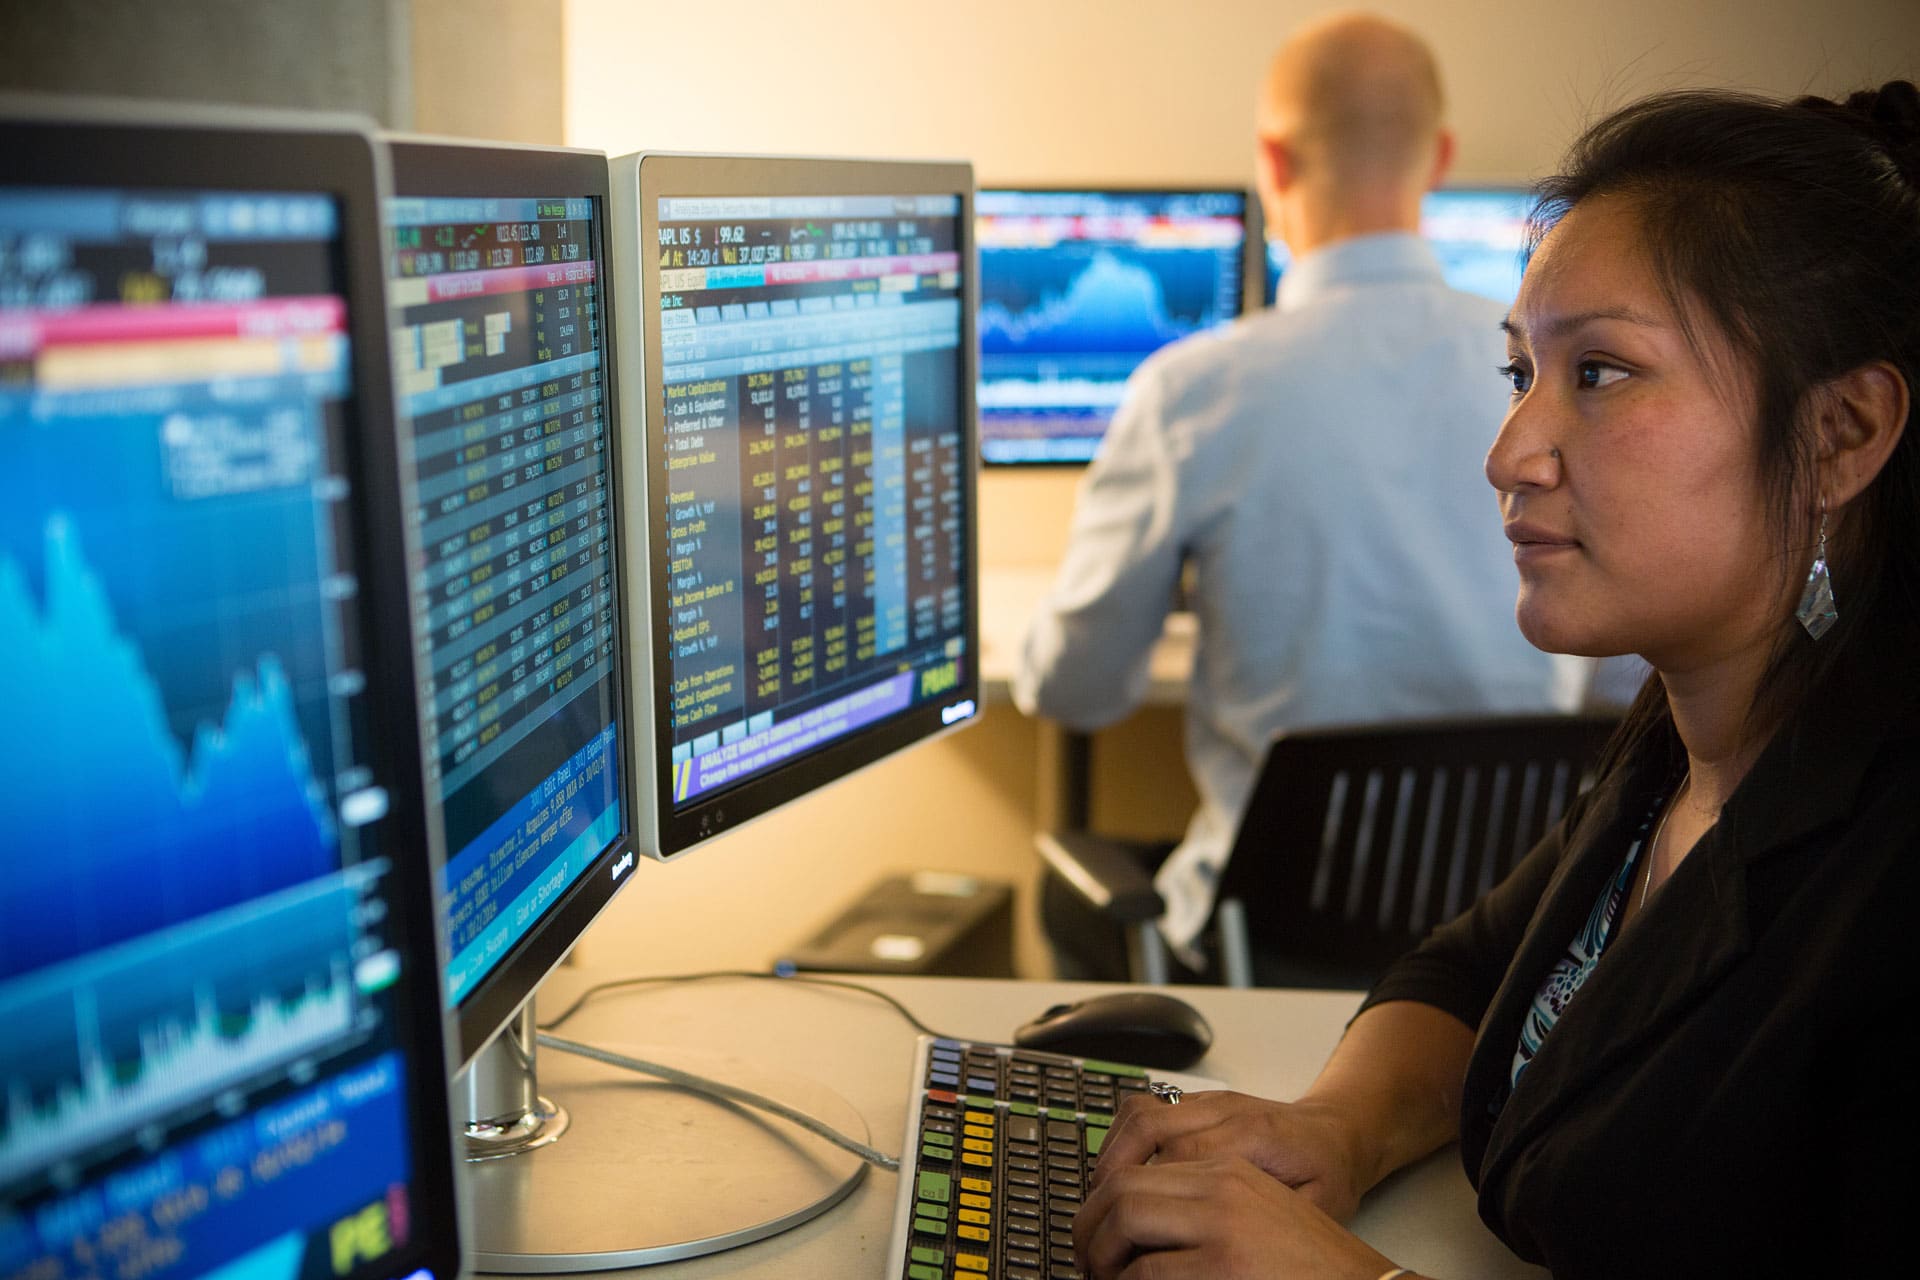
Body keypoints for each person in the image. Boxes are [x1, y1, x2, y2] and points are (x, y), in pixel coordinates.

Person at [1070, 79, 1920, 1279]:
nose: (1509, 452)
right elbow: (1473, 971)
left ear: (1840, 434)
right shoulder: (1689, 739)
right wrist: (1333, 1129)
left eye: (1604, 373)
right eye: (1522, 372)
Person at [1014, 11, 1583, 972]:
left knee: (1069, 898)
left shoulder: (1195, 389)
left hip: (1265, 949)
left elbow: (1079, 689)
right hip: (1503, 942)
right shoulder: (1553, 373)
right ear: (1438, 158)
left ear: (1272, 163)